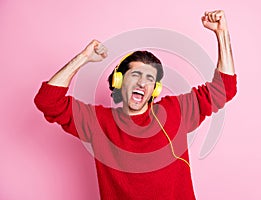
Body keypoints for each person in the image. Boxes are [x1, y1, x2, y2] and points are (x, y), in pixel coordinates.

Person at [34, 10, 237, 200]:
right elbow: (47, 101)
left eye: (150, 78)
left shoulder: (176, 110)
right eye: (136, 75)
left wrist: (222, 33)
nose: (142, 83)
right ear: (119, 81)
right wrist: (83, 58)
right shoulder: (97, 121)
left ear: (155, 89)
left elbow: (225, 89)